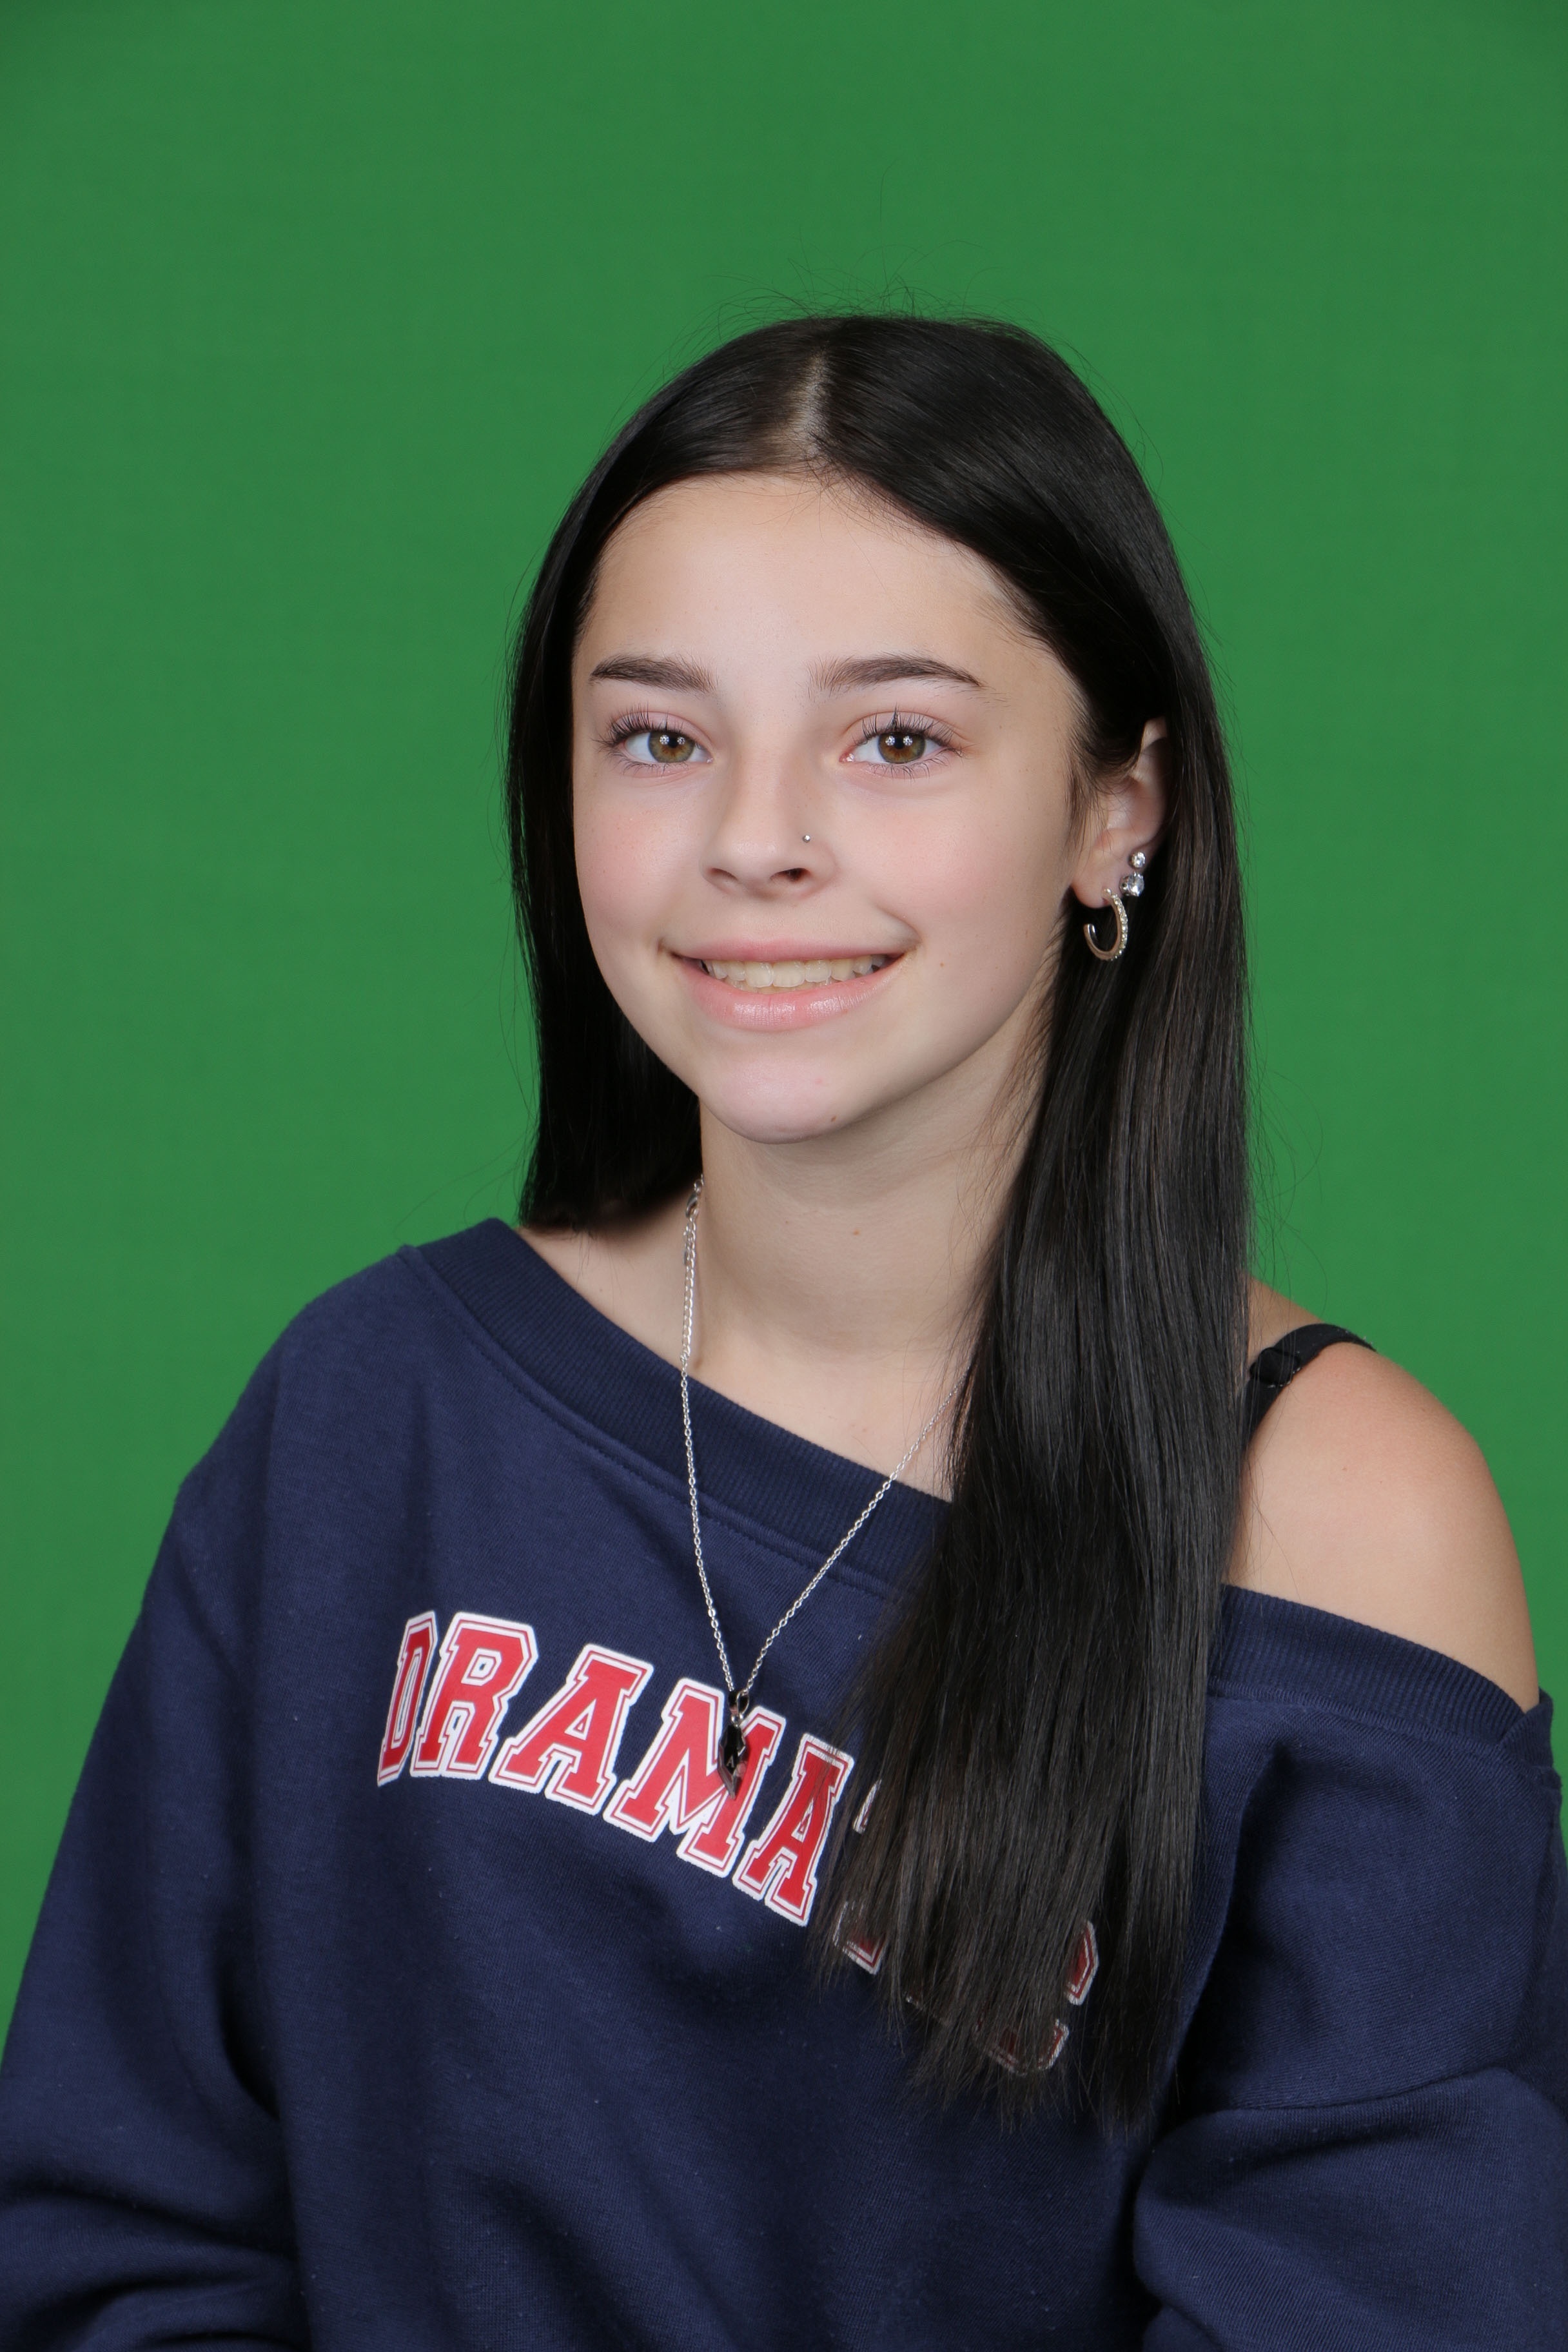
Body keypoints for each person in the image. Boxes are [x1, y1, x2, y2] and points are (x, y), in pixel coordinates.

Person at [0, 313, 1561, 2348]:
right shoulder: (371, 1413)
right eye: (660, 739)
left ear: (1118, 809)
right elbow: (114, 2240)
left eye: (894, 739)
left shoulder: (1341, 1524)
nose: (754, 839)